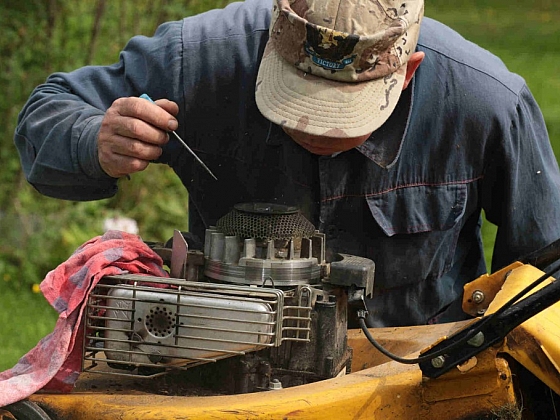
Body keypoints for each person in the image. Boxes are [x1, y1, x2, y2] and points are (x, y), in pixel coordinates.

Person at [14, 0, 560, 327]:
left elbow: (545, 280)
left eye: (341, 113)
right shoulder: (202, 58)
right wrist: (95, 139)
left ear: (408, 72)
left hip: (418, 380)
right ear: (272, 42)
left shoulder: (485, 103)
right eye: (298, 98)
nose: (316, 128)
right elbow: (45, 115)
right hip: (228, 370)